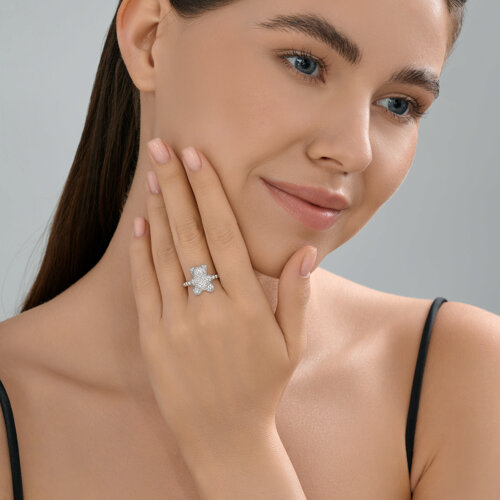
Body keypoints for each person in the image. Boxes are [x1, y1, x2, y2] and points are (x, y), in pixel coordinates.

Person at [1, 0, 499, 498]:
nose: (354, 150)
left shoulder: (464, 379)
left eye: (399, 104)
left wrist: (238, 448)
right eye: (305, 64)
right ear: (150, 39)